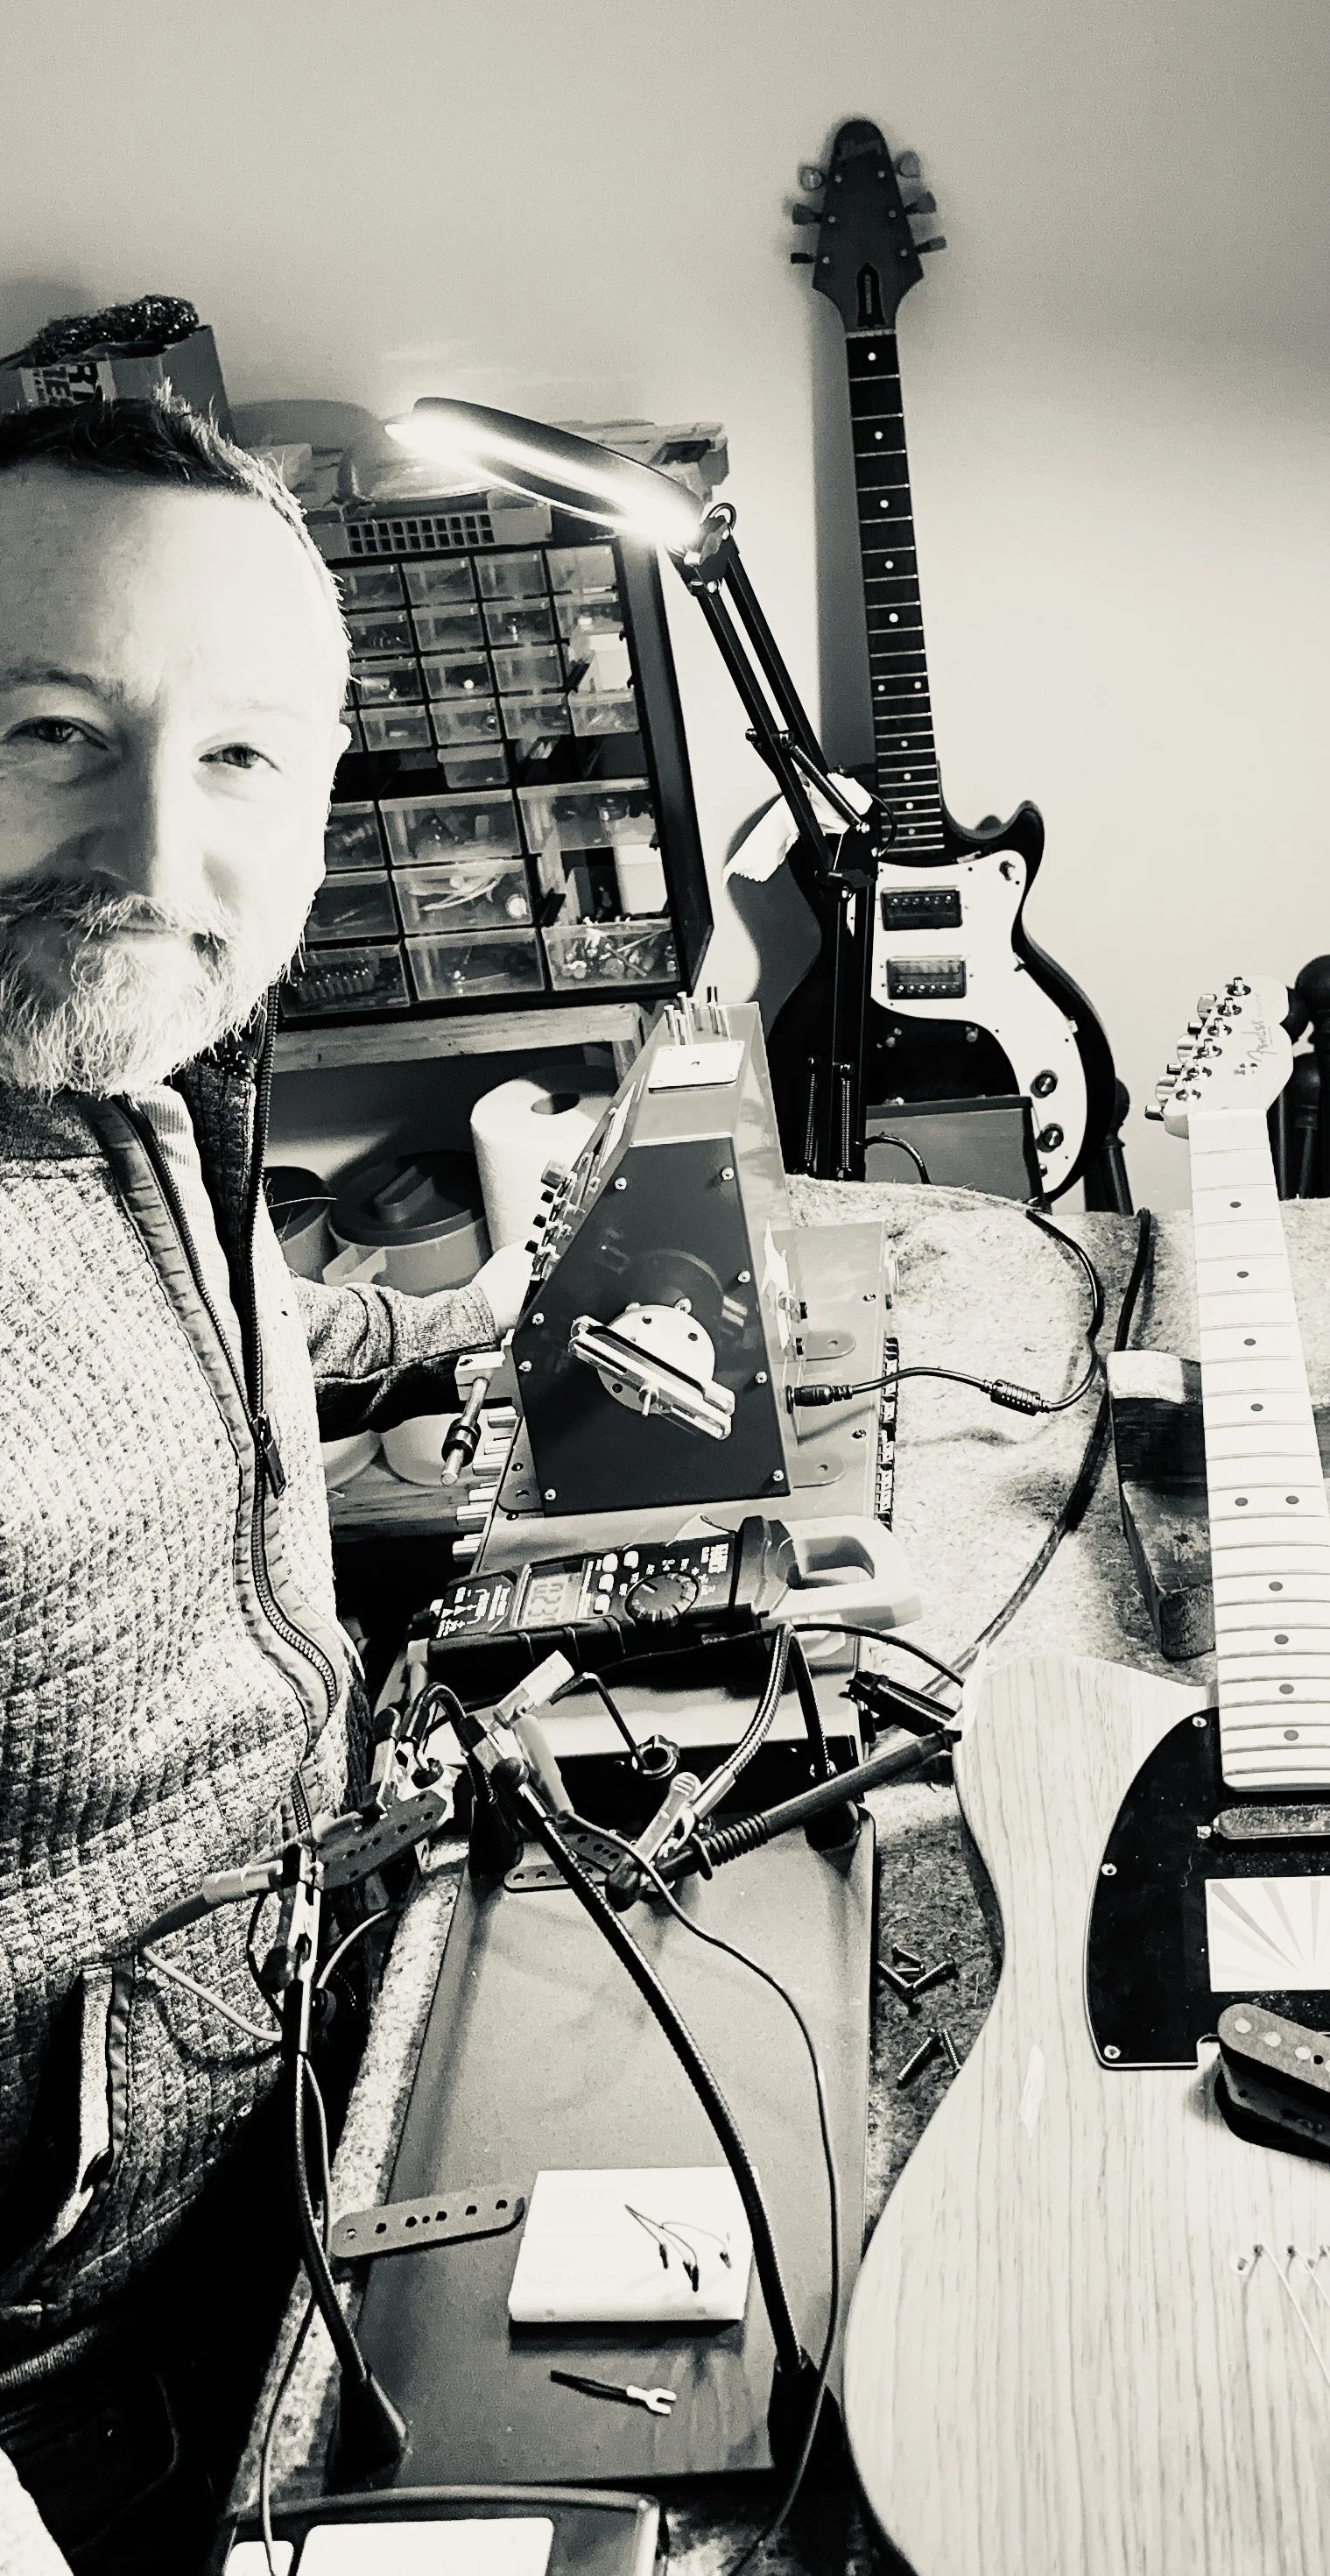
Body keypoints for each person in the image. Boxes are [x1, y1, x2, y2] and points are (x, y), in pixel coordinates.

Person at [0, 397, 528, 2573]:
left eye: (238, 759)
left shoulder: (117, 1081)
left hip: (341, 2089)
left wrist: (494, 1309)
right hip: (115, 2402)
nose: (152, 841)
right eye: (47, 729)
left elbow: (228, 1348)